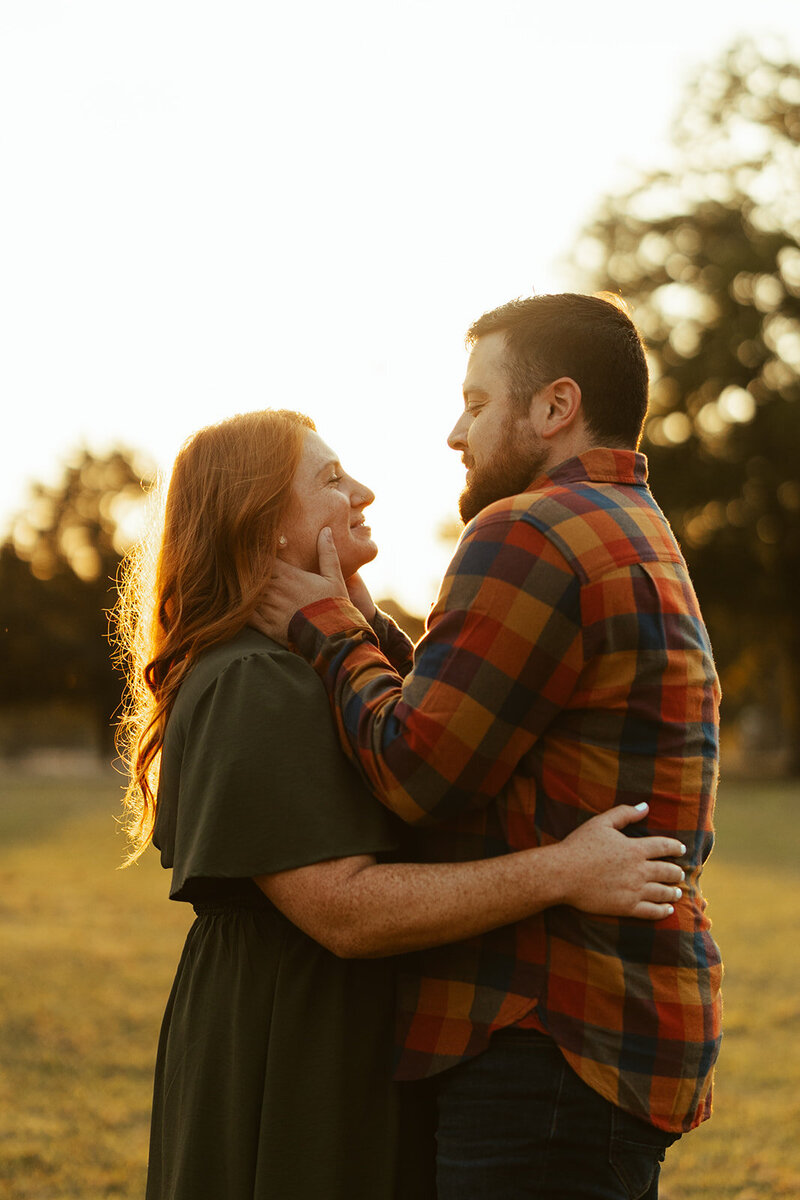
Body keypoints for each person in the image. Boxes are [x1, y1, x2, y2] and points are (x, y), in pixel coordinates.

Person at [115, 406, 686, 1200]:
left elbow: (432, 739)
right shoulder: (253, 678)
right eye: (330, 479)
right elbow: (342, 911)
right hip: (295, 1044)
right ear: (264, 525)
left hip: (345, 1029)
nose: (365, 491)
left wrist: (356, 620)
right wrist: (564, 871)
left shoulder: (312, 659)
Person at [255, 294, 723, 1200]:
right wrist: (368, 626)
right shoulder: (636, 528)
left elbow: (416, 771)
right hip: (612, 1026)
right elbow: (476, 706)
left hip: (543, 1029)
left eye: (475, 403)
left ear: (554, 407)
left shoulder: (528, 530)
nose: (453, 434)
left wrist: (326, 632)